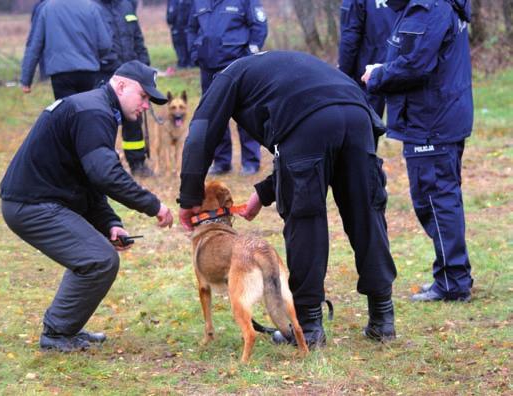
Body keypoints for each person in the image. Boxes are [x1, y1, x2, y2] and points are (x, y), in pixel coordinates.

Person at [177, 51, 397, 347]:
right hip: (358, 115)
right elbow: (298, 154)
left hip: (309, 121)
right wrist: (264, 192)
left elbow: (201, 134)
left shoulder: (227, 77)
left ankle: (307, 327)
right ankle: (382, 319)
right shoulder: (285, 63)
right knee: (366, 214)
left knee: (305, 221)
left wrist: (190, 197)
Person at [0, 60, 174, 352]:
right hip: (31, 205)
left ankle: (65, 327)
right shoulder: (95, 112)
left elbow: (88, 178)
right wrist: (153, 205)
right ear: (120, 85)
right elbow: (104, 174)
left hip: (41, 200)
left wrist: (109, 222)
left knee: (93, 255)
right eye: (143, 96)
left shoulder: (96, 108)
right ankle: (57, 333)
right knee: (99, 259)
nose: (146, 106)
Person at [362, 0, 473, 302]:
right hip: (436, 116)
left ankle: (453, 282)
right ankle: (452, 274)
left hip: (431, 120)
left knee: (435, 200)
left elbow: (416, 64)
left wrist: (379, 74)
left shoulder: (428, 8)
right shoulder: (427, 6)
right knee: (439, 197)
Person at [187, 0, 268, 175]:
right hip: (208, 67)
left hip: (237, 66)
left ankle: (250, 162)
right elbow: (191, 28)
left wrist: (249, 57)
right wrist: (195, 52)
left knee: (246, 113)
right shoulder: (199, 2)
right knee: (214, 115)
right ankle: (221, 161)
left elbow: (259, 26)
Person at [95, 0, 154, 177]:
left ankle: (137, 164)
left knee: (134, 121)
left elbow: (137, 38)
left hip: (131, 73)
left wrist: (145, 66)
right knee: (105, 121)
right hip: (105, 74)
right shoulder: (92, 7)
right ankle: (106, 165)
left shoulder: (127, 5)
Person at [20, 0, 112, 99]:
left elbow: (35, 45)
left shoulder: (47, 8)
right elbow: (105, 44)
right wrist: (93, 58)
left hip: (60, 72)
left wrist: (26, 80)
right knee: (87, 109)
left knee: (66, 111)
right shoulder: (92, 6)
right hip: (89, 71)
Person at [338, 0, 396, 148]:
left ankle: (364, 168)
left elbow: (350, 36)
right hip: (397, 64)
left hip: (367, 72)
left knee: (365, 133)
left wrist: (342, 74)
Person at [167, 0, 194, 69]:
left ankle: (189, 62)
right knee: (178, 44)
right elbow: (170, 11)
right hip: (176, 25)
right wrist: (169, 20)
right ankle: (182, 62)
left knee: (187, 43)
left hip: (186, 25)